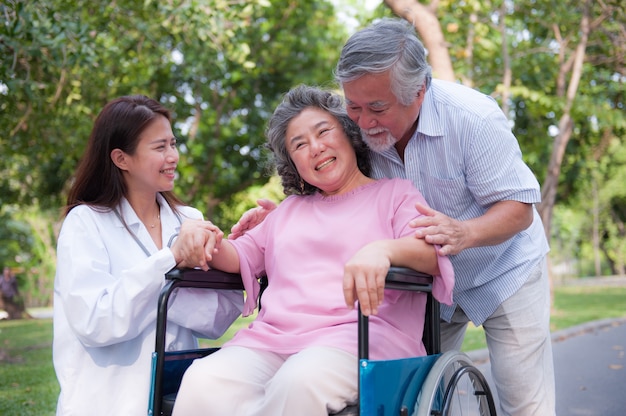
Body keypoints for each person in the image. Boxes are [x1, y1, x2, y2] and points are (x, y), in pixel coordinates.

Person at [232, 19, 554, 416]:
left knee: (525, 405)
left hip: (502, 269)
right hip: (425, 279)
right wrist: (285, 218)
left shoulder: (472, 119)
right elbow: (343, 191)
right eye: (353, 106)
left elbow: (520, 208)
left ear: (418, 92)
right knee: (418, 398)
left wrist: (463, 232)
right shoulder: (358, 121)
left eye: (378, 109)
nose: (363, 123)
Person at [172, 85, 454, 416]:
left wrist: (383, 250)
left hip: (360, 341)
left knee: (298, 381)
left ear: (349, 135)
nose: (316, 148)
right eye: (300, 145)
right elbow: (239, 254)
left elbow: (430, 253)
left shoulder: (396, 195)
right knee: (203, 380)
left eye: (324, 133)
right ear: (293, 162)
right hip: (273, 340)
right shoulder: (287, 210)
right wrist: (199, 235)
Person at [52, 95, 244, 416]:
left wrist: (167, 288)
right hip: (107, 401)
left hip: (177, 398)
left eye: (173, 143)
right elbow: (96, 322)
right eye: (159, 147)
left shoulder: (189, 220)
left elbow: (220, 316)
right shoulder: (85, 223)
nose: (173, 157)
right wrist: (170, 261)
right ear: (121, 158)